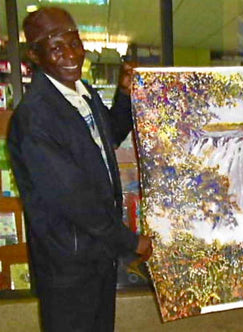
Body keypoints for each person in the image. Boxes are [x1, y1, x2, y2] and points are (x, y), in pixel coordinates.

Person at [7, 7, 152, 331]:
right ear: (35, 55)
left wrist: (125, 93)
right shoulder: (36, 119)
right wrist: (130, 241)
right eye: (56, 47)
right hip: (68, 262)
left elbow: (109, 134)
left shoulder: (81, 93)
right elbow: (76, 200)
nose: (71, 54)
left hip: (96, 250)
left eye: (75, 42)